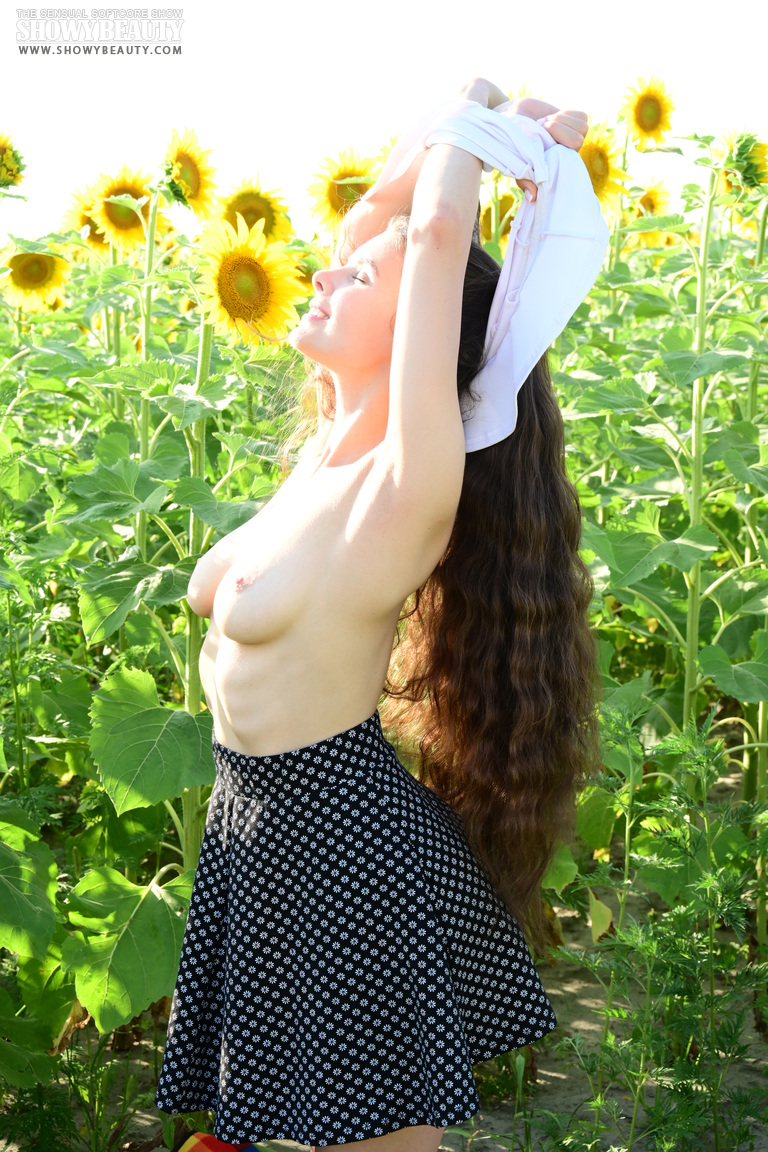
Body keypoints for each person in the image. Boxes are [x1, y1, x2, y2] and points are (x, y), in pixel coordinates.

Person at [154, 77, 602, 1152]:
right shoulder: (328, 450)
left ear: (418, 337)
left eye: (358, 279)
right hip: (256, 830)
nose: (324, 264)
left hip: (342, 849)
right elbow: (386, 223)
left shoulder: (404, 487)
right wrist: (472, 105)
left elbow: (438, 230)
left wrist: (472, 144)